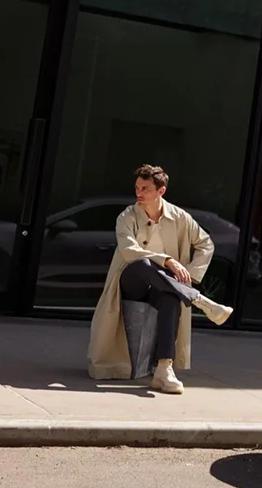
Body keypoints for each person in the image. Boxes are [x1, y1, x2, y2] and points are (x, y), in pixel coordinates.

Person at [86, 164, 233, 394]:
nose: (139, 193)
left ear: (160, 191)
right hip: (131, 282)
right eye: (137, 187)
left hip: (162, 284)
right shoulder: (126, 216)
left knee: (171, 298)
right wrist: (168, 261)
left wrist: (191, 275)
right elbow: (129, 251)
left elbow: (206, 244)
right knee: (143, 264)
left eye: (145, 189)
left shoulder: (180, 217)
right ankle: (200, 301)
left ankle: (164, 369)